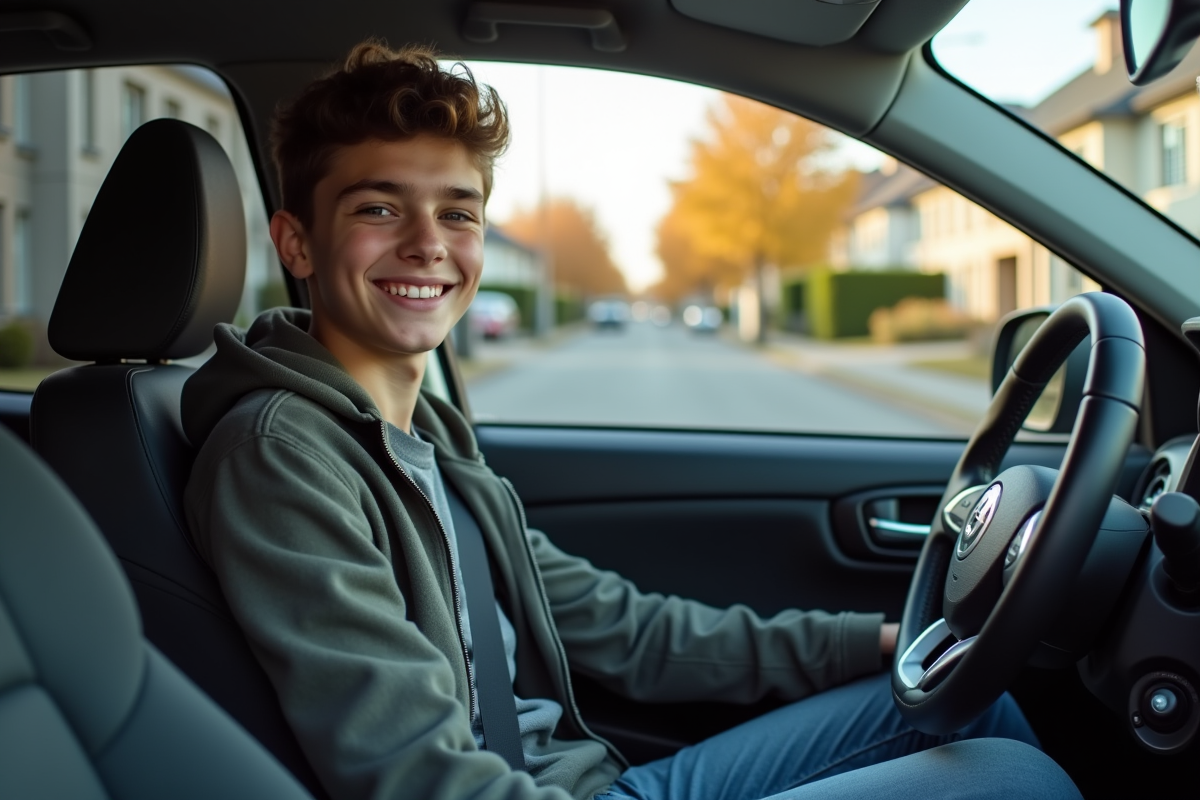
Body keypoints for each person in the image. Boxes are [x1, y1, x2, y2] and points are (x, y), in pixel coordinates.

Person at [182, 41, 1051, 800]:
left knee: (965, 697)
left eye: (457, 211)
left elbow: (630, 633)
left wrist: (887, 638)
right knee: (1013, 782)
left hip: (598, 779)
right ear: (296, 243)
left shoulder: (431, 440)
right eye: (378, 208)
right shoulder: (281, 454)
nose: (427, 242)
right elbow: (416, 774)